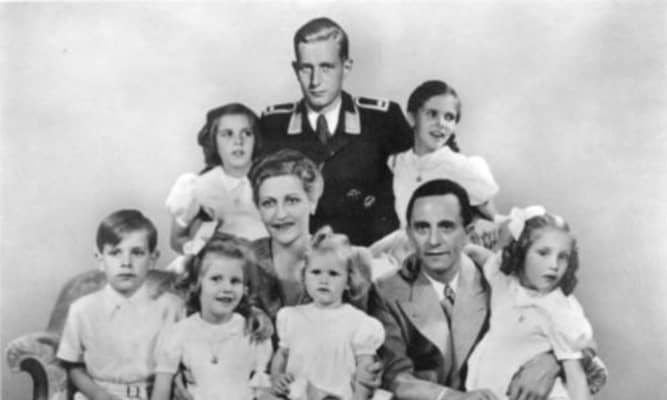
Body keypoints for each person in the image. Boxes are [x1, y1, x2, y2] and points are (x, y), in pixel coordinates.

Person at [367, 180, 604, 400]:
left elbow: (579, 343)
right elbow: (395, 377)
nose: (433, 240)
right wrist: (454, 398)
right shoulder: (387, 290)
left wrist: (549, 363)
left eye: (446, 227)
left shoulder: (499, 276)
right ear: (409, 234)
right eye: (422, 228)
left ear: (468, 233)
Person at [259, 17, 414, 246]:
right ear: (295, 69)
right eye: (306, 68)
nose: (315, 81)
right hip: (301, 254)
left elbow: (431, 169)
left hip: (371, 252)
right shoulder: (273, 125)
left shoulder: (382, 120)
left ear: (346, 67)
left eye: (326, 67)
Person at [465, 207, 592, 400]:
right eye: (543, 253)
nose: (554, 265)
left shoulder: (560, 310)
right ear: (522, 252)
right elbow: (486, 259)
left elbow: (576, 377)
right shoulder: (505, 283)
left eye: (563, 257)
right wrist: (464, 250)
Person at [57, 210, 183, 400]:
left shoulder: (170, 307)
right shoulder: (82, 309)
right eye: (115, 253)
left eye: (137, 253)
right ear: (100, 259)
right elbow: (73, 366)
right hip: (97, 396)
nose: (126, 263)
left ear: (153, 258)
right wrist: (99, 395)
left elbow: (168, 372)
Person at [152, 233, 273, 400]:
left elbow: (263, 390)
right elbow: (161, 393)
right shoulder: (179, 333)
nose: (227, 288)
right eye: (216, 279)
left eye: (235, 281)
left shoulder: (252, 331)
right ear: (197, 284)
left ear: (245, 288)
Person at [270, 227, 385, 400]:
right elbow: (282, 354)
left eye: (333, 274)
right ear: (304, 276)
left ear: (348, 281)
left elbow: (365, 368)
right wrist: (277, 377)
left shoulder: (358, 322)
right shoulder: (291, 317)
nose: (323, 280)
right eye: (316, 272)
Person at [165, 103, 267, 272]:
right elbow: (176, 239)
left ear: (256, 140)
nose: (238, 142)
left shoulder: (269, 183)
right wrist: (198, 251)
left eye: (246, 133)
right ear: (214, 141)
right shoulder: (196, 186)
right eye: (227, 134)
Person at [388, 80, 498, 227]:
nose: (441, 123)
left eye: (449, 117)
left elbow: (494, 221)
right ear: (412, 118)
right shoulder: (398, 163)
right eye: (432, 114)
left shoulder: (463, 168)